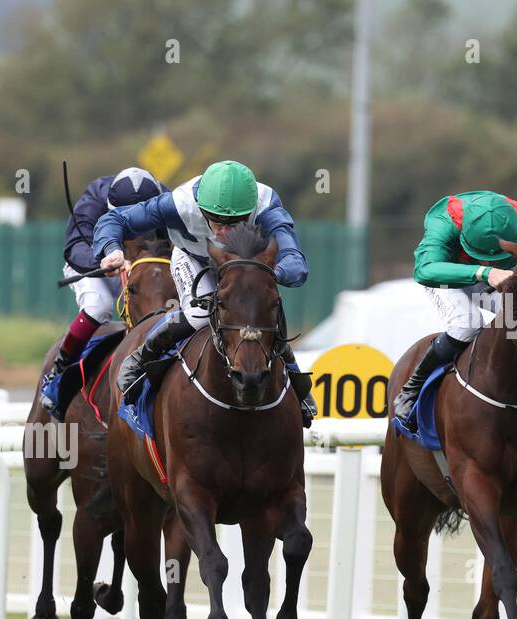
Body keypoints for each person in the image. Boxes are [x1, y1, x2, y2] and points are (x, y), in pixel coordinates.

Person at [92, 160, 317, 427]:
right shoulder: (178, 203)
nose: (226, 231)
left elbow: (295, 262)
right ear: (201, 207)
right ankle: (142, 356)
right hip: (193, 258)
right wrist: (111, 248)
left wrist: (269, 275)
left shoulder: (266, 204)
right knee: (200, 315)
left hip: (244, 264)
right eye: (218, 222)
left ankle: (294, 377)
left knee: (260, 309)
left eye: (236, 222)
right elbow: (115, 218)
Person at [394, 190, 517, 424]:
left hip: (504, 278)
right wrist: (485, 272)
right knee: (466, 323)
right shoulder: (445, 220)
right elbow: (424, 270)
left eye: (494, 256)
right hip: (448, 279)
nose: (488, 259)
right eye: (481, 255)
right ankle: (412, 389)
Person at [37, 166, 167, 416]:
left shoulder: (168, 200)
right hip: (98, 266)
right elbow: (75, 246)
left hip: (144, 266)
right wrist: (102, 262)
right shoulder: (93, 199)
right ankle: (59, 371)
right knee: (99, 307)